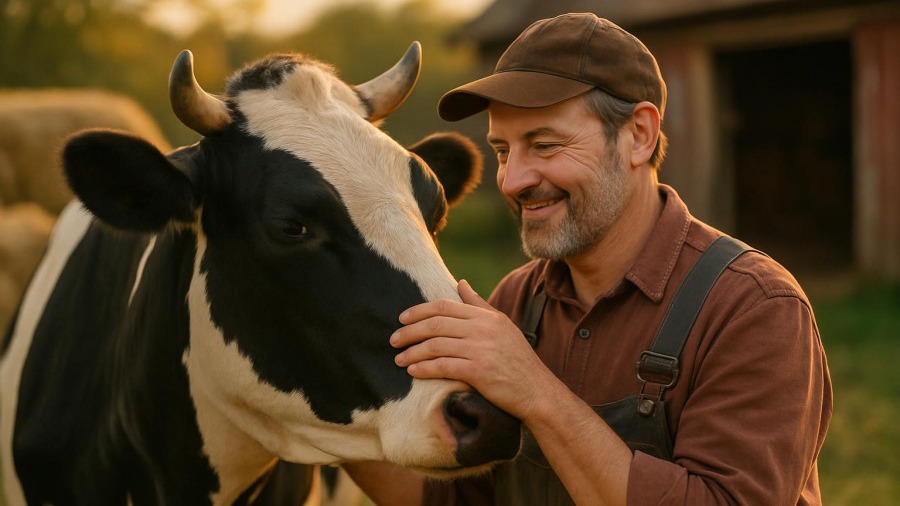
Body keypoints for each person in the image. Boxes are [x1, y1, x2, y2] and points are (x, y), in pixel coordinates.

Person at [344, 12, 832, 505]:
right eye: (503, 151)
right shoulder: (516, 302)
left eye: (544, 144)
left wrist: (535, 391)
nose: (513, 181)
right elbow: (455, 502)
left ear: (639, 134)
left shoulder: (754, 308)